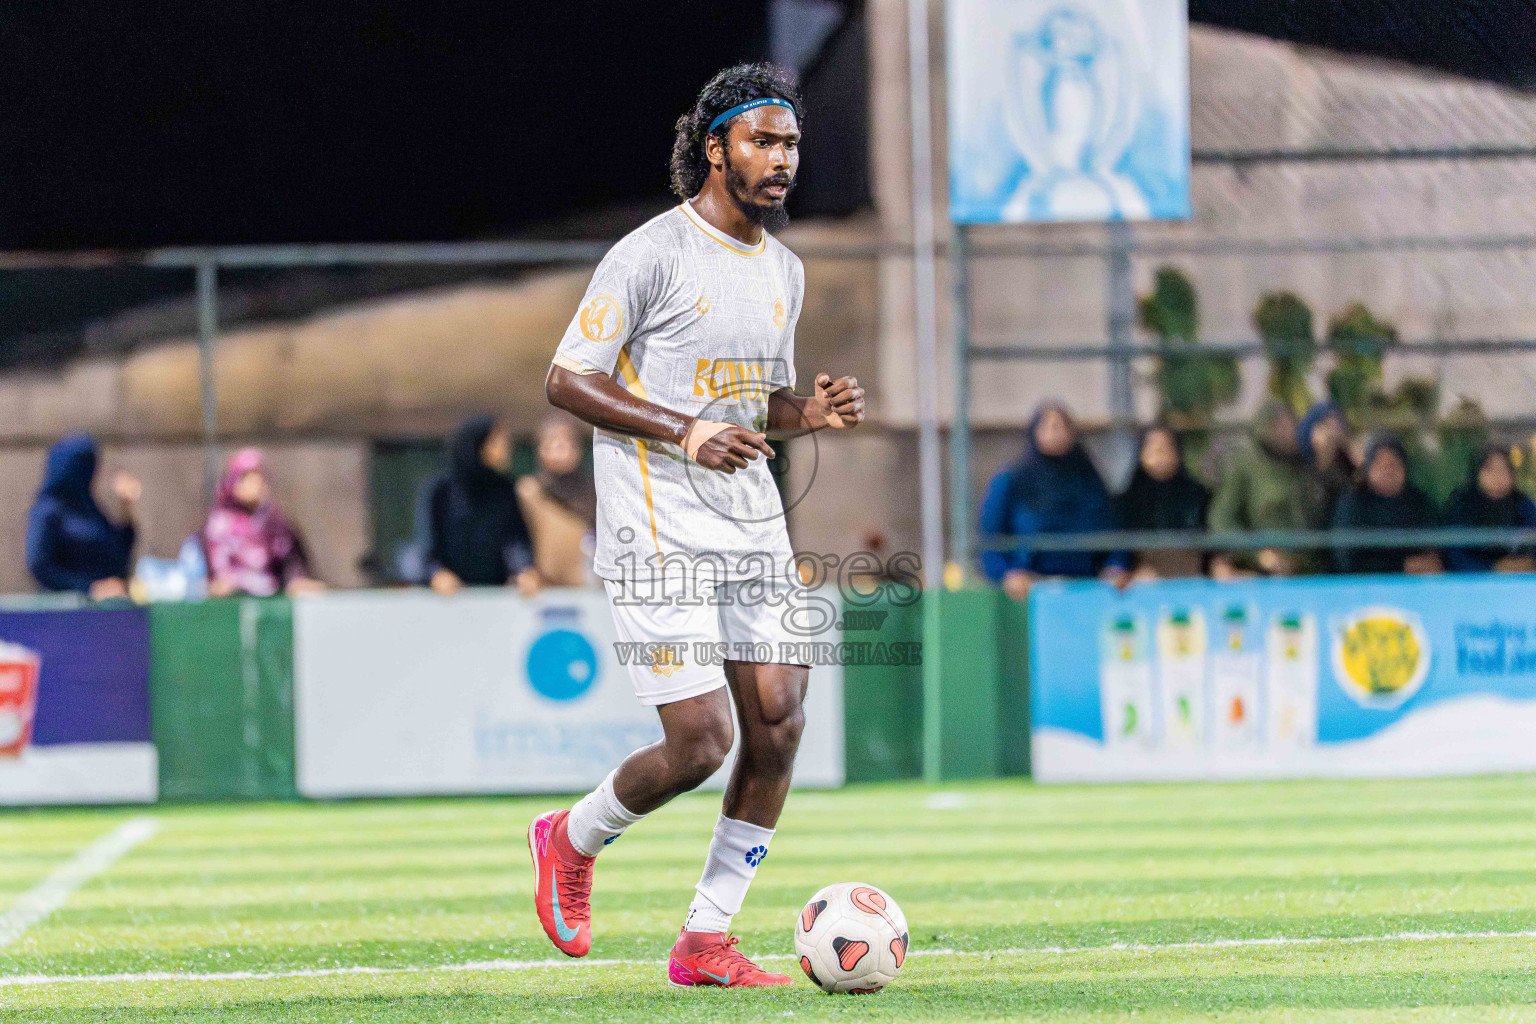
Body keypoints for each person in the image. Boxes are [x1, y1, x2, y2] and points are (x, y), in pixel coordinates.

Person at [529, 63, 866, 989]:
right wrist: (684, 429)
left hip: (751, 525)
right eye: (764, 140)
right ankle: (572, 835)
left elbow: (749, 408)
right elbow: (567, 379)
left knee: (781, 722)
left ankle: (706, 938)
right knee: (702, 743)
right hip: (656, 526)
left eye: (792, 143)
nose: (782, 160)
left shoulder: (784, 272)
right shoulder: (651, 254)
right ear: (714, 147)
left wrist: (806, 413)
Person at [978, 402, 1129, 602]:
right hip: (1031, 591)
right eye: (1047, 426)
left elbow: (1114, 532)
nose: (1055, 433)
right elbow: (989, 538)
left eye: (1061, 426)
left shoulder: (1088, 480)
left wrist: (1115, 566)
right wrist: (1007, 573)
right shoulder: (1013, 480)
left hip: (1087, 588)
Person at [418, 415, 540, 597]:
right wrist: (436, 574)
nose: (505, 448)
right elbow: (426, 544)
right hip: (448, 598)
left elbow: (516, 538)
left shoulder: (504, 489)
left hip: (495, 597)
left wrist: (524, 569)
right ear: (478, 445)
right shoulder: (441, 491)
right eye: (497, 442)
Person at [1207, 401, 1324, 578]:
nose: (1289, 431)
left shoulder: (1307, 466)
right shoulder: (1246, 466)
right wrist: (1258, 554)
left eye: (1291, 424)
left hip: (1311, 573)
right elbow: (1221, 519)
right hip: (1265, 575)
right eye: (1280, 425)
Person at [26, 434, 140, 598]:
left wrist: (126, 507)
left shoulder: (91, 510)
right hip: (66, 614)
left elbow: (118, 556)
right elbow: (39, 566)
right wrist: (88, 589)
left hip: (107, 612)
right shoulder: (47, 511)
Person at [202, 448, 325, 598]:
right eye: (247, 478)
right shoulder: (219, 524)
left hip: (273, 599)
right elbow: (216, 572)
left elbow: (291, 561)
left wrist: (296, 580)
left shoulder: (275, 522)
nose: (256, 484)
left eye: (259, 477)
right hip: (232, 601)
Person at [1332, 432, 1442, 575]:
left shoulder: (1419, 502)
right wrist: (1402, 566)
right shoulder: (1352, 505)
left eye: (1394, 463)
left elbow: (1435, 551)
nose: (1388, 470)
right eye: (1379, 464)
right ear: (1368, 469)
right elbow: (1347, 561)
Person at [515, 411, 599, 587]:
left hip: (585, 584)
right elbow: (516, 539)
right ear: (539, 448)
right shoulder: (529, 491)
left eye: (566, 441)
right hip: (541, 586)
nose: (559, 447)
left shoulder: (594, 490)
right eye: (552, 441)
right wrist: (524, 570)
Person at [1116, 424, 1209, 580]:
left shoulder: (1196, 495)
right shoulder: (1129, 499)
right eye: (1152, 449)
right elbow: (1120, 548)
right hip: (1144, 580)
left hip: (1189, 578)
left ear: (1177, 453)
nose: (1159, 456)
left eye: (1165, 449)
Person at [1443, 445, 1536, 573]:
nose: (1498, 476)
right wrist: (1492, 568)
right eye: (1490, 469)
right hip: (1473, 584)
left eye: (1504, 469)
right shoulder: (1461, 505)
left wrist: (1528, 563)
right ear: (1477, 472)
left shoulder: (1523, 505)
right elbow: (1454, 554)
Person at [1297, 400, 1356, 525]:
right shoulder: (1300, 470)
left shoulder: (1347, 466)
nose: (1331, 431)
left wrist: (1349, 446)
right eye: (1325, 424)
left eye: (1336, 424)